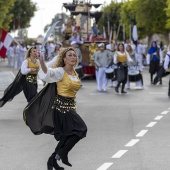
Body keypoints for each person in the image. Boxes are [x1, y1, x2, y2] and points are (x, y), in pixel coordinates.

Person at [23, 47, 87, 170]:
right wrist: (41, 61)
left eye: (74, 55)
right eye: (70, 55)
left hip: (70, 108)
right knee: (81, 129)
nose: (73, 57)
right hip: (61, 109)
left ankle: (52, 161)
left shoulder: (74, 73)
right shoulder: (59, 72)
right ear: (64, 59)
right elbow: (48, 73)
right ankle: (63, 154)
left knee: (66, 136)